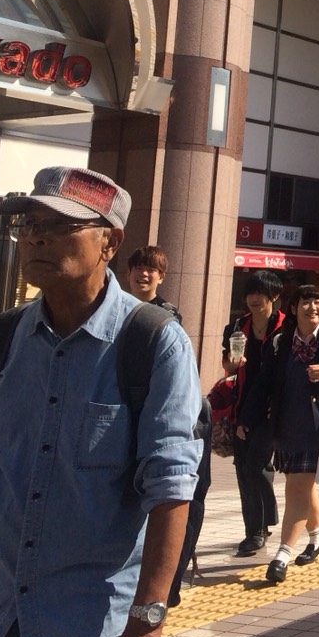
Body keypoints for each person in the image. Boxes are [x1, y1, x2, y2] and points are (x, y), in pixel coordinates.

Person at [0, 166, 202, 637]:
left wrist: (146, 628)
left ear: (109, 242)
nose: (37, 238)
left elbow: (170, 488)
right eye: (29, 225)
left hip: (85, 633)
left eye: (60, 226)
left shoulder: (152, 343)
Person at [237, 285, 319, 584]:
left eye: (318, 302)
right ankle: (318, 538)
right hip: (287, 426)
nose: (312, 307)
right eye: (306, 302)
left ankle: (282, 555)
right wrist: (246, 418)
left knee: (297, 489)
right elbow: (263, 384)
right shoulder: (280, 343)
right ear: (294, 308)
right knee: (302, 487)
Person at [126, 246, 210, 610]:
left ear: (162, 278)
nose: (144, 275)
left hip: (162, 421)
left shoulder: (165, 319)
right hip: (127, 418)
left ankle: (165, 588)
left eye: (152, 270)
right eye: (139, 268)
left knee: (172, 501)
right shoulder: (111, 310)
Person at [223, 271, 287, 556]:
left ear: (274, 296)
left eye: (261, 293)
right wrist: (234, 364)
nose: (254, 299)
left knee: (255, 466)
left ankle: (259, 529)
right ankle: (256, 526)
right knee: (244, 468)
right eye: (250, 293)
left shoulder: (287, 328)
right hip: (242, 407)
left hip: (274, 410)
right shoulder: (237, 327)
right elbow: (229, 366)